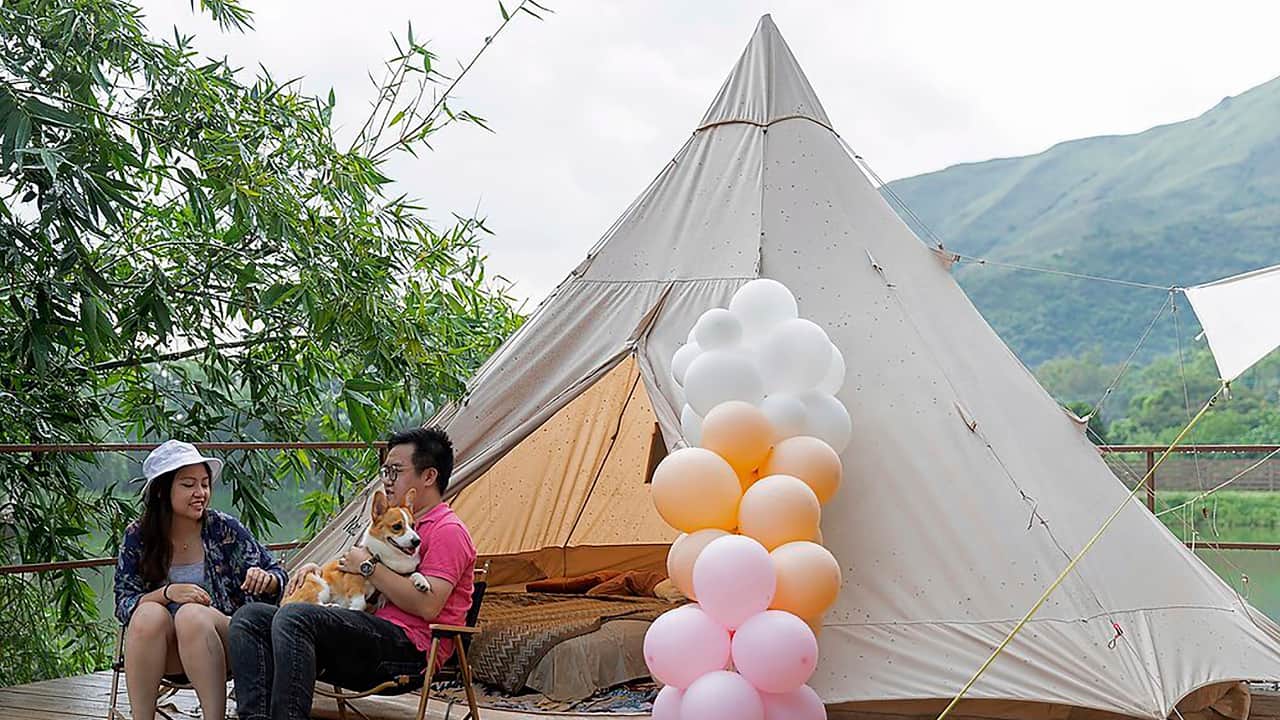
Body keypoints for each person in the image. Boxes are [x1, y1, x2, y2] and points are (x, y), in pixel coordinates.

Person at [229, 427, 476, 720]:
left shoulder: (448, 531)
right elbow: (348, 575)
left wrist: (368, 566)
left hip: (408, 649)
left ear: (429, 476)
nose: (387, 480)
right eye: (385, 471)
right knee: (251, 618)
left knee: (295, 617)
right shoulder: (391, 521)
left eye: (395, 471)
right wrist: (316, 571)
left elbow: (429, 605)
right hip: (365, 629)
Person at [114, 440, 288, 720]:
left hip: (224, 641)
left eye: (204, 484)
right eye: (188, 485)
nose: (200, 493)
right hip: (165, 650)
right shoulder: (139, 536)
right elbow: (124, 604)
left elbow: (279, 576)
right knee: (147, 614)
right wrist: (169, 593)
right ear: (162, 490)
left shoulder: (224, 528)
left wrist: (266, 579)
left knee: (192, 615)